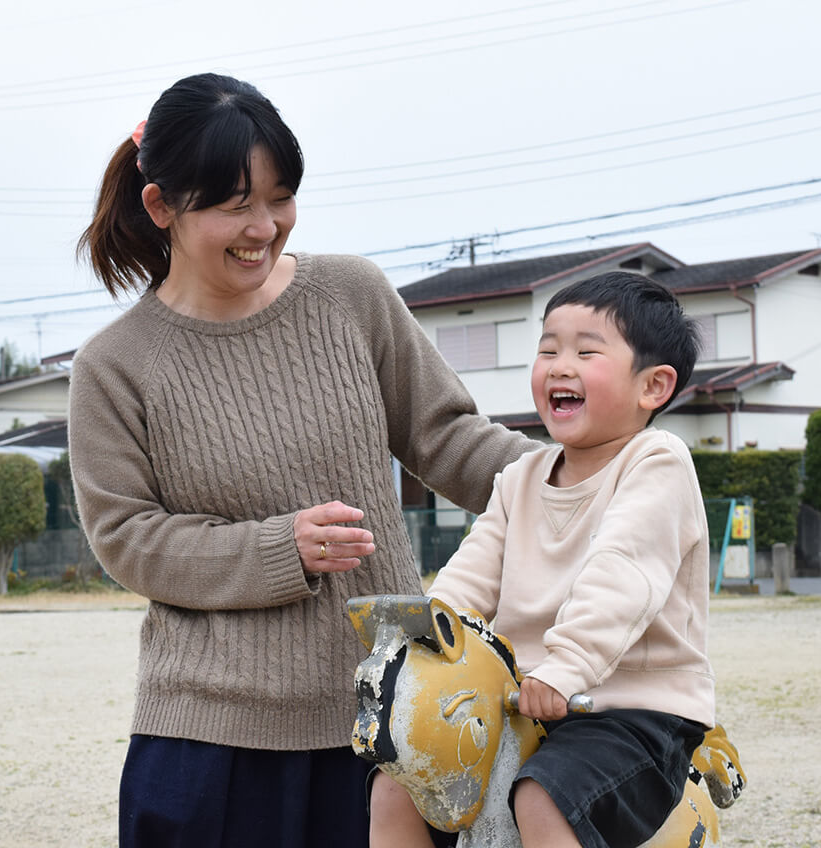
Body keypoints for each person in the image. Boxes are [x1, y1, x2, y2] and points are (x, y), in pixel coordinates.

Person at [66, 72, 536, 847]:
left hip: (392, 712)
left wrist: (586, 478)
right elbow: (129, 539)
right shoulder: (115, 365)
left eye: (280, 197)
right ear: (162, 209)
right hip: (211, 736)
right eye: (233, 204)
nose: (264, 226)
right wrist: (280, 549)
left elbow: (449, 438)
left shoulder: (350, 295)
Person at [371, 271, 713, 848]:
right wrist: (430, 635)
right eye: (547, 349)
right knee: (398, 781)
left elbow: (622, 573)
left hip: (628, 710)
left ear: (653, 386)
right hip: (522, 698)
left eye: (586, 351)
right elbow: (471, 575)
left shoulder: (657, 463)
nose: (559, 365)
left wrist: (566, 664)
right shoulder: (521, 478)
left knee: (541, 793)